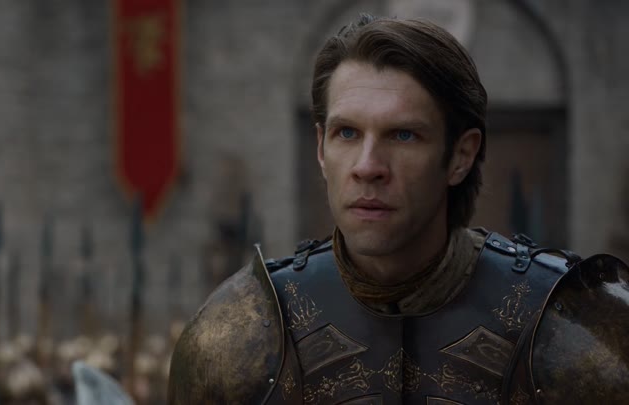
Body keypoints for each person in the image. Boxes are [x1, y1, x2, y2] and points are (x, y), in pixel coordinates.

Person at [167, 14, 629, 404]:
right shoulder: (240, 333)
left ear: (461, 155)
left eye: (404, 135)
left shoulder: (572, 328)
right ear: (321, 149)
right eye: (347, 133)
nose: (368, 167)